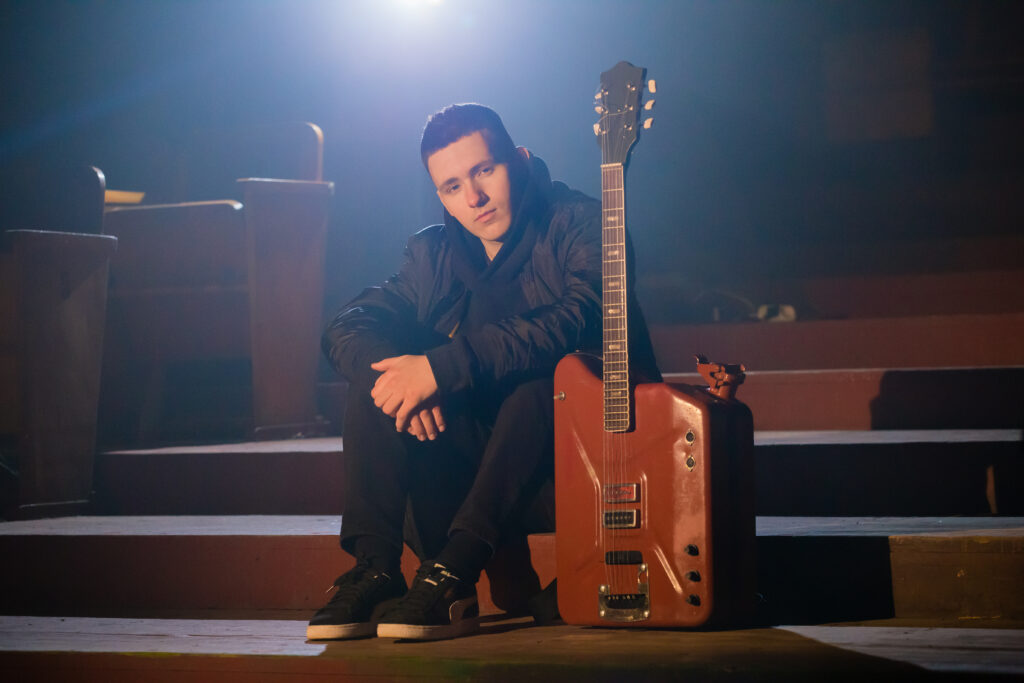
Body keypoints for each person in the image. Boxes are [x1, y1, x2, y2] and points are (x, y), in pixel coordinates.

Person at [309, 103, 659, 641]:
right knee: (382, 379)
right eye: (452, 187)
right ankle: (376, 569)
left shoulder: (583, 223)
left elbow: (582, 316)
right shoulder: (431, 253)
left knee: (545, 380)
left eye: (484, 171)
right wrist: (405, 380)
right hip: (471, 467)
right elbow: (348, 323)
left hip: (576, 465)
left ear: (520, 159)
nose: (473, 198)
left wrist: (441, 368)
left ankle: (454, 569)